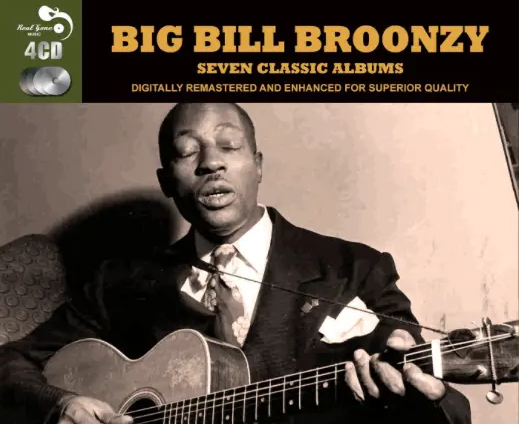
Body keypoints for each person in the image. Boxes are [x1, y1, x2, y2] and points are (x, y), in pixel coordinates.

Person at [0, 103, 471, 424]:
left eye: (229, 146)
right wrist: (60, 404)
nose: (211, 163)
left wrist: (423, 401)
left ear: (258, 164)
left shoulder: (354, 267)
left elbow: (446, 403)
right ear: (167, 181)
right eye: (188, 152)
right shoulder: (121, 281)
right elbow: (11, 362)